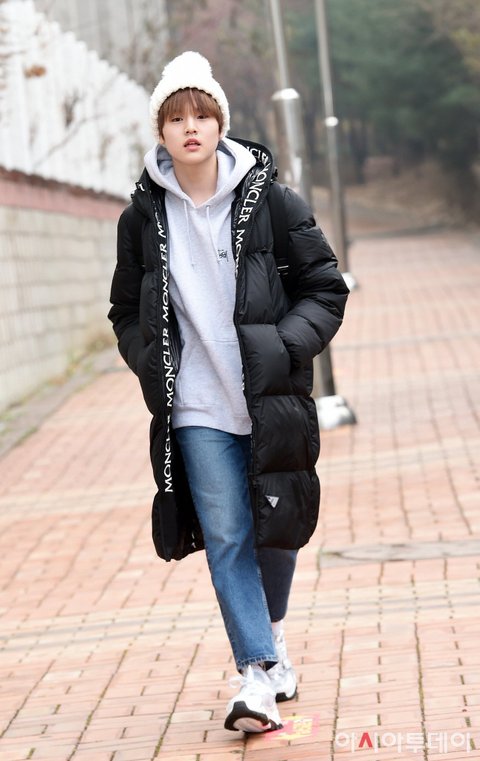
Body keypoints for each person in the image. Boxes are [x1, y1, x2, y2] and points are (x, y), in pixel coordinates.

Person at [108, 51, 349, 733]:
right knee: (226, 534)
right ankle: (256, 674)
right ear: (161, 131)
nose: (190, 127)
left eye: (201, 115)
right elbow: (124, 309)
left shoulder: (271, 201)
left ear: (220, 125)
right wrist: (150, 362)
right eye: (175, 117)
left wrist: (286, 346)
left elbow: (324, 288)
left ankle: (272, 639)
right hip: (196, 406)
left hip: (268, 396)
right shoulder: (142, 218)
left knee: (278, 529)